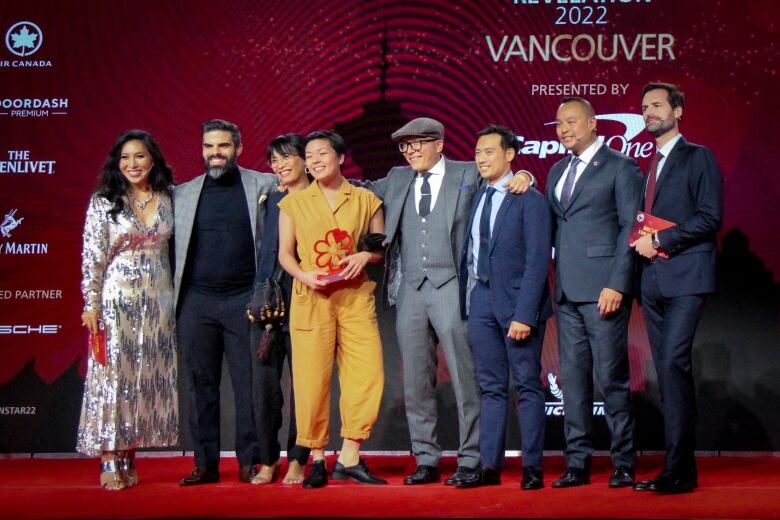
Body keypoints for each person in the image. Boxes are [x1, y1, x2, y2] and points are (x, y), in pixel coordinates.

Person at [365, 117, 533, 486]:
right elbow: (359, 192)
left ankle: (472, 457)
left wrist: (526, 177)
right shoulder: (396, 178)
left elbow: (503, 176)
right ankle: (426, 457)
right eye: (404, 146)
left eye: (417, 144)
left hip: (453, 287)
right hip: (410, 287)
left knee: (465, 376)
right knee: (416, 380)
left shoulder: (467, 173)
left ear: (439, 144)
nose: (410, 152)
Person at [278, 130, 386, 488]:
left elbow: (378, 248)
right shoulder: (293, 203)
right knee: (311, 381)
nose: (314, 161)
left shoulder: (367, 199)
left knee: (367, 374)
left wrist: (364, 255)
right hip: (312, 299)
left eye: (322, 153)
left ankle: (351, 454)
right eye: (309, 156)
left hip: (355, 298)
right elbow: (285, 255)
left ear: (341, 157)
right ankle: (319, 457)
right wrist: (305, 276)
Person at [545, 97, 643, 489]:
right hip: (567, 292)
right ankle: (577, 462)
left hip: (604, 289)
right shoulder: (555, 171)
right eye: (558, 124)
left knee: (612, 378)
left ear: (592, 123)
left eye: (571, 121)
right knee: (572, 379)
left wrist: (618, 283)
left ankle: (623, 462)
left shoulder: (621, 167)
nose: (563, 129)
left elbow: (629, 229)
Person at [173, 119, 277, 485]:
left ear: (238, 148)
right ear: (201, 150)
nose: (215, 154)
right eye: (209, 147)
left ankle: (250, 460)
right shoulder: (182, 194)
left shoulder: (264, 184)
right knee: (201, 385)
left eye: (223, 146)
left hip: (244, 299)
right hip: (197, 302)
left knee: (248, 385)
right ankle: (205, 463)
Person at [631, 82, 723, 494]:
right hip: (652, 281)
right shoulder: (647, 164)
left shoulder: (698, 157)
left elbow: (709, 217)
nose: (649, 112)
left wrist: (662, 242)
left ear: (678, 111)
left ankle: (679, 469)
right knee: (668, 373)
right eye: (645, 107)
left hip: (686, 276)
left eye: (657, 105)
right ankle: (677, 467)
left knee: (672, 365)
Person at [78, 129, 178, 490]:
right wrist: (90, 303)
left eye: (139, 156)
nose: (132, 164)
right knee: (113, 377)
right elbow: (92, 258)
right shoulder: (104, 201)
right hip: (117, 299)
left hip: (159, 301)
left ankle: (129, 453)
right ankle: (108, 455)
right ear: (116, 164)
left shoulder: (169, 199)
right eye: (125, 158)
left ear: (152, 159)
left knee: (143, 376)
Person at [456, 125, 552, 489]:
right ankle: (490, 466)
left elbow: (538, 261)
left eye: (489, 151)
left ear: (510, 155)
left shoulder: (530, 199)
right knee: (491, 387)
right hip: (480, 299)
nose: (481, 158)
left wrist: (524, 314)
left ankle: (532, 467)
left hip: (517, 304)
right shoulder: (478, 194)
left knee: (527, 384)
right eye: (478, 152)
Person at [248, 134, 312, 485]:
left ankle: (299, 459)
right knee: (265, 391)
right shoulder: (268, 199)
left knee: (305, 388)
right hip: (267, 306)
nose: (280, 165)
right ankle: (268, 460)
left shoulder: (321, 197)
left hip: (307, 299)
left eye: (287, 157)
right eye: (274, 160)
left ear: (305, 160)